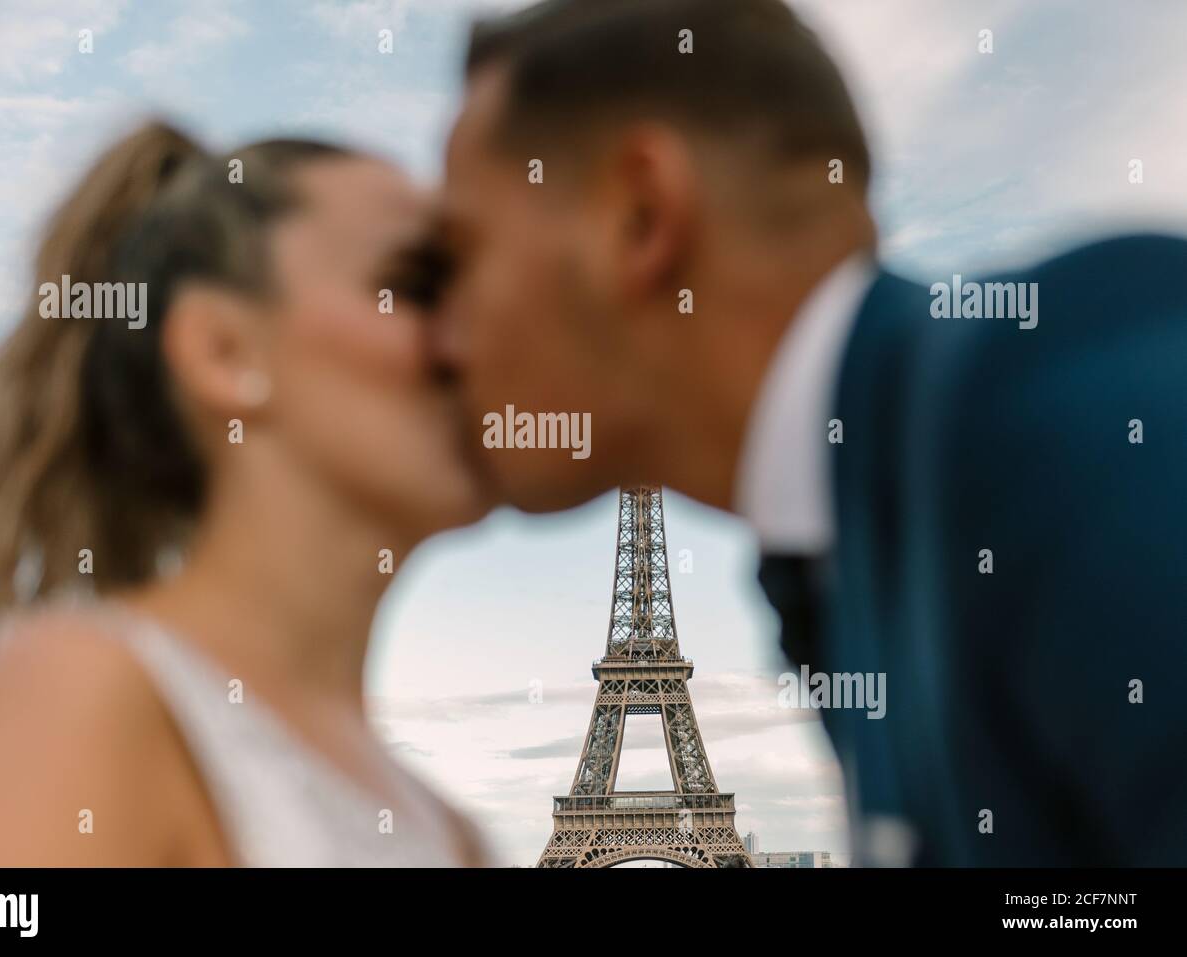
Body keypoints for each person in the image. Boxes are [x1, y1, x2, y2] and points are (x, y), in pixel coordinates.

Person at [427, 0, 1187, 865]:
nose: (438, 333)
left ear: (640, 217)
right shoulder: (875, 535)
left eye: (460, 254)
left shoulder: (1057, 400)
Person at [0, 122, 492, 866]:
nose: (478, 338)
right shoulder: (73, 693)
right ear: (224, 351)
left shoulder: (451, 830)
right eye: (417, 285)